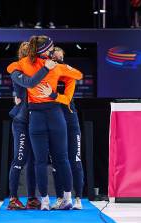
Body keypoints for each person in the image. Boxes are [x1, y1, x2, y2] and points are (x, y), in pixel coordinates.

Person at [7, 35, 83, 210]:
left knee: (39, 161)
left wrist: (58, 95)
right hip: (31, 118)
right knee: (28, 159)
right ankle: (17, 197)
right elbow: (29, 83)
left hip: (38, 116)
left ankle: (42, 200)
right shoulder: (26, 68)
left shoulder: (49, 66)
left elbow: (75, 76)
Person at [6, 42, 57, 210]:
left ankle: (32, 198)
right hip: (22, 121)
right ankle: (13, 199)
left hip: (35, 120)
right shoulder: (17, 71)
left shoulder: (39, 71)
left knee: (34, 160)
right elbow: (28, 85)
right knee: (20, 159)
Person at [42, 46, 85, 210]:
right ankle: (60, 197)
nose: (57, 59)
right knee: (57, 162)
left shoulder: (68, 75)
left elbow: (67, 99)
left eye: (60, 57)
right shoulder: (45, 75)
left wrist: (52, 95)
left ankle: (78, 199)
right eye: (55, 56)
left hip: (70, 121)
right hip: (53, 122)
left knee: (75, 160)